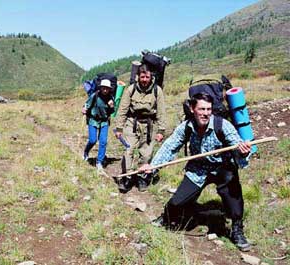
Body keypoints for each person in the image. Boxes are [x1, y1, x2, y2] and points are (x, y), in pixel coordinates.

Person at [139, 92, 252, 252]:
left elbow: (237, 145)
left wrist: (244, 151)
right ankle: (168, 217)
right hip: (198, 169)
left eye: (208, 109)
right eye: (202, 109)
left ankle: (237, 229)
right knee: (176, 203)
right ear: (192, 109)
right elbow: (169, 147)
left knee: (233, 197)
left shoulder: (223, 125)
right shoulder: (186, 127)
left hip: (223, 168)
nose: (206, 113)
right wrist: (152, 166)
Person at [114, 64, 166, 192]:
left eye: (147, 77)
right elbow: (123, 109)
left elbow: (161, 111)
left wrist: (161, 130)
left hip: (149, 125)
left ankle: (142, 177)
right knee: (128, 149)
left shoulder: (157, 90)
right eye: (142, 77)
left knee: (146, 154)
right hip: (132, 123)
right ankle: (128, 177)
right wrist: (119, 128)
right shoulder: (131, 89)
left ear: (151, 77)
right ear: (138, 76)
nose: (144, 79)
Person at [82, 79, 115, 174]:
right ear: (100, 88)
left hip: (104, 122)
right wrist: (84, 109)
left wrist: (112, 107)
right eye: (103, 88)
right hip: (93, 120)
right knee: (92, 140)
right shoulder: (95, 95)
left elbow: (112, 112)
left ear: (109, 89)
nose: (105, 90)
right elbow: (86, 104)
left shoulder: (110, 98)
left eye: (107, 89)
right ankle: (86, 152)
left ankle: (99, 162)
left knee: (103, 142)